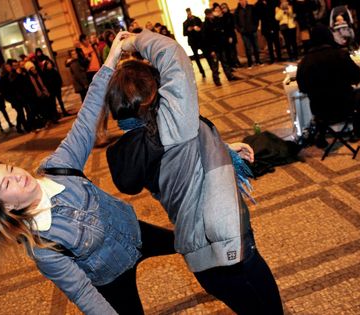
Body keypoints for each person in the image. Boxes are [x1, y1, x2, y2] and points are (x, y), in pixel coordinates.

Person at [0, 32, 175, 315]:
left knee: (190, 243)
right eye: (6, 183)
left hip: (135, 232)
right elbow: (83, 294)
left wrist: (110, 59)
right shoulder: (43, 246)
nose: (17, 175)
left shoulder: (58, 167)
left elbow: (86, 120)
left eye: (11, 169)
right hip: (112, 278)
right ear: (7, 206)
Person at [105, 29, 283, 314]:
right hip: (228, 251)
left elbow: (180, 158)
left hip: (202, 257)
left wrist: (222, 149)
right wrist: (131, 42)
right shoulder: (171, 122)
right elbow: (172, 54)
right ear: (153, 91)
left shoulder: (133, 144)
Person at [296, 25, 360, 147]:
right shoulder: (340, 54)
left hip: (320, 110)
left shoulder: (305, 62)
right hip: (344, 106)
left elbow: (303, 88)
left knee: (319, 99)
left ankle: (321, 135)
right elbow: (356, 77)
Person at [203, 8, 239, 86]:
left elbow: (223, 27)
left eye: (212, 13)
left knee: (225, 62)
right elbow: (207, 39)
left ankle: (230, 76)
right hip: (214, 49)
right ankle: (217, 80)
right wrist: (211, 50)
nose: (212, 15)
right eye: (210, 14)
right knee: (215, 65)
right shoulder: (205, 25)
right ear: (207, 15)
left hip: (221, 46)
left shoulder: (216, 21)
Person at [0, 61, 30, 133]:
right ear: (4, 69)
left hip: (20, 96)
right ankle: (26, 128)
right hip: (13, 98)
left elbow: (19, 83)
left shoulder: (14, 74)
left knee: (20, 113)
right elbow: (4, 91)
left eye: (9, 66)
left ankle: (18, 127)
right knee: (20, 112)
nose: (9, 68)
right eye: (7, 67)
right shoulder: (3, 78)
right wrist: (10, 99)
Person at [235, 0, 263, 68]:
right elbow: (236, 22)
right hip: (244, 32)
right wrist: (240, 30)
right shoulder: (237, 10)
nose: (242, 2)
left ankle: (258, 61)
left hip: (253, 30)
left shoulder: (251, 7)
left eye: (243, 0)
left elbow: (256, 17)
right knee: (248, 48)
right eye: (241, 1)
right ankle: (250, 63)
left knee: (256, 47)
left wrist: (255, 26)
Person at [183, 8, 207, 78]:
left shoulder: (197, 19)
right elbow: (184, 33)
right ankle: (202, 71)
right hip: (193, 42)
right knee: (196, 58)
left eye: (189, 11)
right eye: (187, 12)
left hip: (200, 40)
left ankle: (212, 68)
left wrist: (199, 29)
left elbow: (203, 27)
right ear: (186, 13)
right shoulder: (185, 23)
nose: (189, 13)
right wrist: (188, 30)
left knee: (206, 54)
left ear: (191, 11)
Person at [220, 3, 242, 68]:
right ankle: (233, 63)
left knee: (234, 50)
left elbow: (232, 26)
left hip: (231, 35)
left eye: (225, 7)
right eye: (223, 8)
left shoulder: (231, 15)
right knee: (229, 51)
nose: (224, 9)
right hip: (226, 36)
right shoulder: (222, 17)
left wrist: (231, 36)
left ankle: (236, 62)